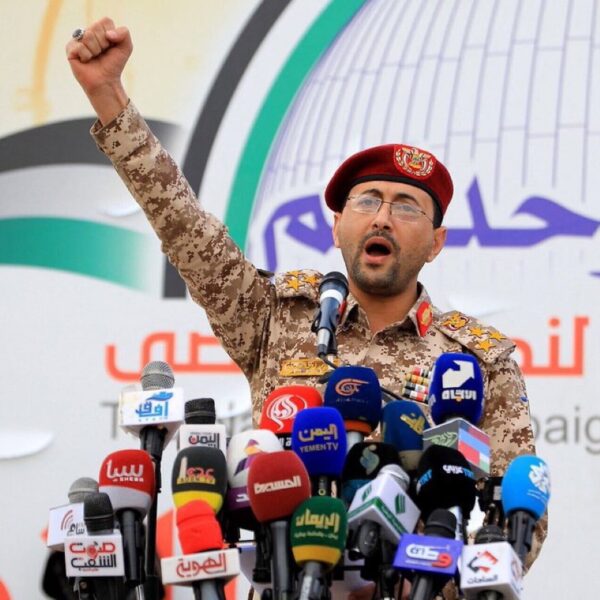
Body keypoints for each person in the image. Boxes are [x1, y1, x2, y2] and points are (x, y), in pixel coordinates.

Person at [66, 18, 547, 599]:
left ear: (437, 242)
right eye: (367, 201)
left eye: (406, 207)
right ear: (338, 225)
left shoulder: (477, 361)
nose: (383, 217)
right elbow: (183, 224)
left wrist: (432, 588)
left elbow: (522, 518)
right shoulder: (278, 314)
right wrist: (108, 96)